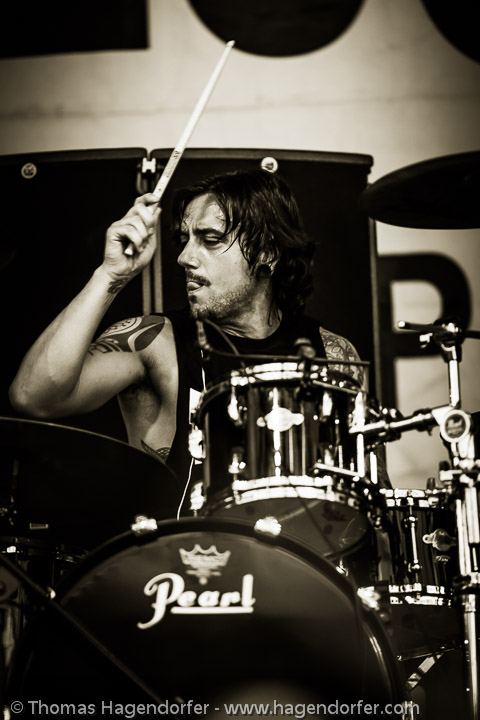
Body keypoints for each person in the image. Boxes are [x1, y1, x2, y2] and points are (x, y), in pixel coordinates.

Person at [9, 168, 366, 499]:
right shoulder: (154, 341)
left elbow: (366, 496)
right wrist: (110, 276)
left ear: (267, 254)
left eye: (209, 239)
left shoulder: (332, 353)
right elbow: (33, 397)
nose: (184, 257)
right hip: (182, 548)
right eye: (184, 239)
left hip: (297, 546)